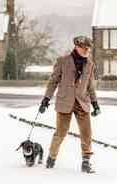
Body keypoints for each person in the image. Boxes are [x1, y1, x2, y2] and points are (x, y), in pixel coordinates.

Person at [38, 36, 101, 173]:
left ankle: (86, 162)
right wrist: (46, 99)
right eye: (84, 48)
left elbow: (90, 86)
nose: (86, 51)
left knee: (86, 134)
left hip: (82, 102)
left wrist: (95, 103)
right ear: (77, 47)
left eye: (88, 49)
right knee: (60, 133)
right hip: (65, 102)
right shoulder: (62, 61)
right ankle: (51, 157)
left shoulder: (89, 64)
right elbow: (53, 82)